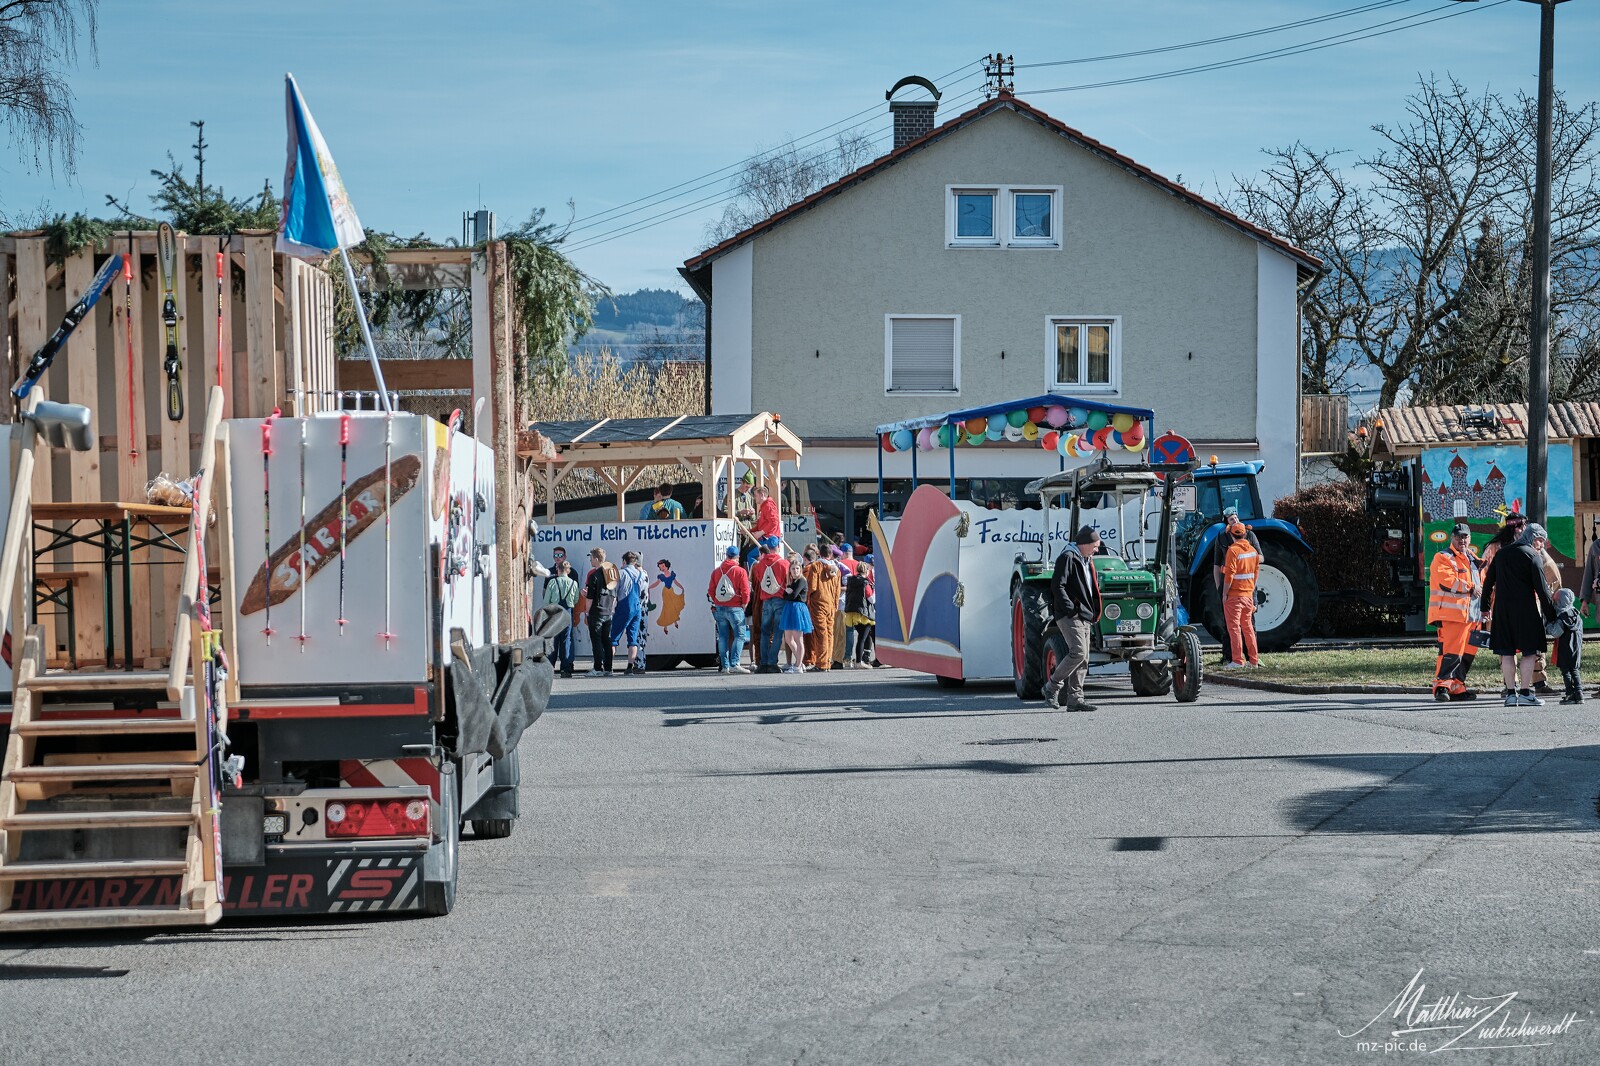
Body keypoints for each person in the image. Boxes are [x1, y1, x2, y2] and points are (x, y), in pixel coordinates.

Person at [1479, 522, 1558, 706]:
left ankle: (1510, 694)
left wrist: (1485, 607)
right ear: (1532, 537)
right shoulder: (1533, 556)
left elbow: (1488, 582)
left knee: (1506, 653)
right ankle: (1524, 693)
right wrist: (1552, 616)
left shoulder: (1501, 554)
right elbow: (1543, 590)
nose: (1541, 545)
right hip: (1526, 611)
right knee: (1529, 652)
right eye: (1540, 540)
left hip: (1502, 611)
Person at [1044, 526, 1103, 711]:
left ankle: (1075, 700)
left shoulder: (1086, 560)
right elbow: (1057, 585)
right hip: (1070, 615)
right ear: (1084, 544)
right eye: (1095, 546)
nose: (1097, 550)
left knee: (1083, 657)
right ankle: (1051, 687)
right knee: (1078, 652)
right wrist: (1071, 609)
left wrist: (1090, 611)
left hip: (1084, 614)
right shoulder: (1067, 557)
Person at [1426, 522, 1482, 700]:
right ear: (1452, 538)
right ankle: (1442, 686)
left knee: (1467, 654)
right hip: (1453, 615)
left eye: (1465, 537)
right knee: (1451, 652)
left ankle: (1457, 687)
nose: (1462, 540)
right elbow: (1447, 580)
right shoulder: (1443, 557)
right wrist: (1471, 587)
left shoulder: (1474, 559)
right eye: (1458, 537)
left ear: (1470, 538)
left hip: (1473, 617)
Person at [1211, 506, 1261, 665]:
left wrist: (1224, 592)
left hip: (1234, 593)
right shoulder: (1253, 551)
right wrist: (1251, 589)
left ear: (1232, 534)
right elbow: (1256, 572)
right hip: (1247, 593)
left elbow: (1230, 574)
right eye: (1231, 518)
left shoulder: (1232, 551)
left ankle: (1238, 661)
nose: (1235, 519)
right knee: (1248, 627)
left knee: (1234, 628)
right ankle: (1253, 660)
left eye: (1235, 518)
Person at [708, 544, 751, 674]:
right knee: (740, 636)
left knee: (722, 637)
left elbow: (711, 590)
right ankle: (735, 663)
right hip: (735, 608)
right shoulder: (740, 571)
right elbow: (745, 590)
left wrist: (717, 602)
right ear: (737, 557)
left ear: (726, 556)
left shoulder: (716, 572)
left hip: (720, 608)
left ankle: (724, 666)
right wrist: (744, 603)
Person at [749, 537, 790, 673]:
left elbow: (758, 579)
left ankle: (763, 662)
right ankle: (772, 663)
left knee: (764, 632)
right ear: (778, 547)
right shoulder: (784, 563)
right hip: (779, 600)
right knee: (777, 632)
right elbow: (788, 581)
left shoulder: (759, 564)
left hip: (766, 600)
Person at [802, 547, 841, 671]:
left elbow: (812, 587)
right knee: (829, 633)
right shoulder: (837, 569)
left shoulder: (816, 567)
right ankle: (828, 661)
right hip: (831, 604)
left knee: (821, 634)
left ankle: (821, 663)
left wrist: (806, 599)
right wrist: (835, 605)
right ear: (831, 554)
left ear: (820, 554)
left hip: (818, 604)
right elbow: (837, 591)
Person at [583, 549, 618, 676]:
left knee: (596, 640)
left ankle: (598, 668)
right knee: (607, 640)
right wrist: (611, 609)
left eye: (591, 558)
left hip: (596, 612)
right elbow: (614, 596)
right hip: (608, 612)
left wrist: (587, 612)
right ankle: (608, 668)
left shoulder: (594, 576)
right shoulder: (611, 574)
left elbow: (590, 598)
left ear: (597, 559)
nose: (590, 560)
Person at [543, 559, 580, 679]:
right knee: (566, 640)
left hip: (554, 613)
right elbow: (576, 600)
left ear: (558, 570)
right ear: (568, 571)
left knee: (553, 640)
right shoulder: (573, 583)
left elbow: (546, 602)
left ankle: (550, 668)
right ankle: (565, 668)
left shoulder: (552, 582)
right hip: (567, 613)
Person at [613, 551, 648, 675]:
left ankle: (608, 666)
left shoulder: (620, 573)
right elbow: (643, 592)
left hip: (624, 607)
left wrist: (612, 609)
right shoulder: (641, 574)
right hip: (637, 608)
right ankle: (630, 667)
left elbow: (614, 592)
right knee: (633, 639)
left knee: (613, 638)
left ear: (624, 561)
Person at [778, 555, 813, 673]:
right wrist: (787, 592)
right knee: (788, 639)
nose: (795, 571)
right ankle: (800, 661)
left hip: (798, 609)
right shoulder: (792, 581)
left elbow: (792, 595)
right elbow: (785, 595)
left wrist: (788, 592)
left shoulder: (801, 580)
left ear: (800, 569)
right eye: (793, 569)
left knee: (799, 639)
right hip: (790, 608)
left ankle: (798, 665)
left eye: (797, 568)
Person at [1552, 588, 1585, 705]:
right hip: (1576, 647)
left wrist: (1548, 625)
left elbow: (1555, 632)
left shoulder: (1562, 617)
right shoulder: (1577, 615)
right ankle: (1579, 693)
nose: (1554, 603)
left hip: (1564, 648)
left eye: (1556, 601)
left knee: (1566, 671)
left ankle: (1570, 693)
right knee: (1574, 670)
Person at [842, 561, 876, 667]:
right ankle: (858, 662)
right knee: (862, 638)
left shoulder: (851, 581)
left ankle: (858, 661)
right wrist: (874, 590)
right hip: (863, 614)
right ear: (866, 571)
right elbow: (872, 599)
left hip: (852, 612)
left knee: (861, 637)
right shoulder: (865, 582)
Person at [650, 559, 685, 630]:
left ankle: (675, 621)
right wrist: (649, 587)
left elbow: (676, 582)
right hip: (665, 592)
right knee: (666, 607)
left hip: (671, 591)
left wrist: (682, 587)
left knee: (673, 606)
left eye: (663, 566)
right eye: (660, 567)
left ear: (667, 565)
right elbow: (656, 583)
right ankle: (665, 625)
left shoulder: (672, 575)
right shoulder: (662, 576)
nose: (662, 568)